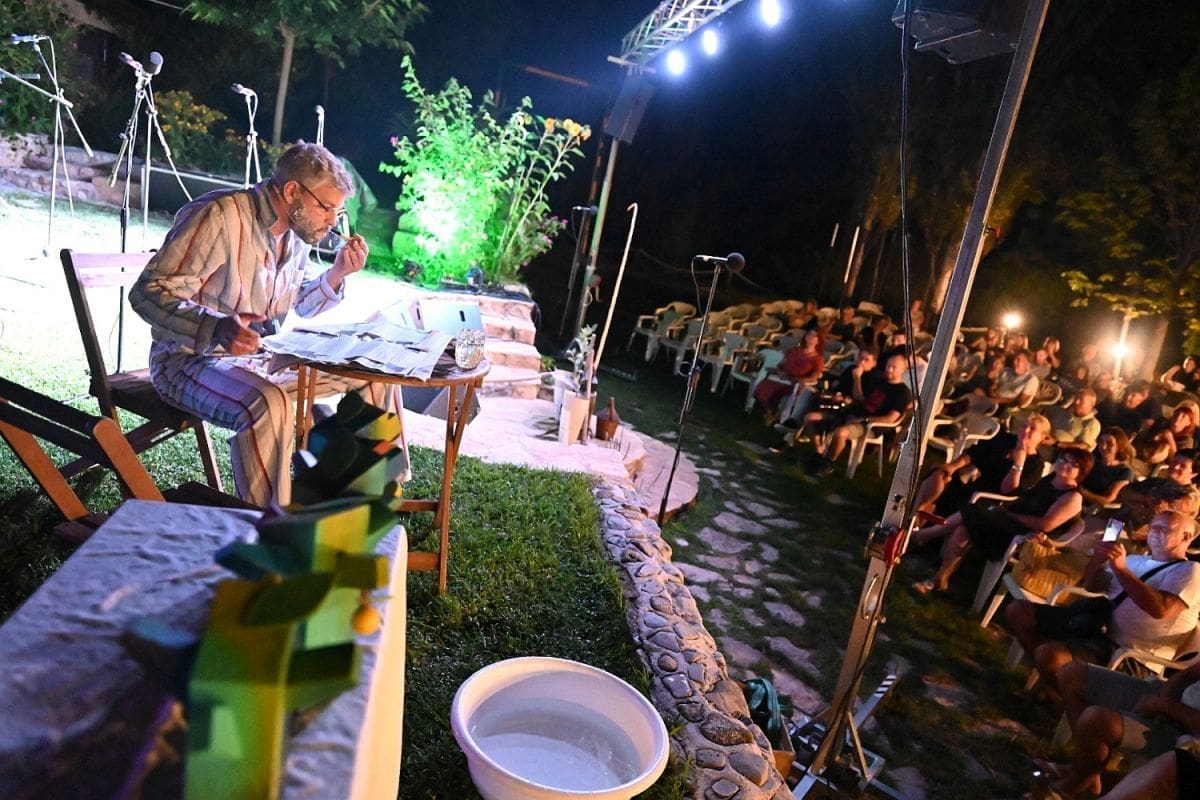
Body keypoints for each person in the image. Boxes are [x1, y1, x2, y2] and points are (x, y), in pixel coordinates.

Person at [130, 143, 405, 508]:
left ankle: (371, 499)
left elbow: (300, 303)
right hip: (188, 361)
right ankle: (268, 521)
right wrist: (216, 327)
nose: (331, 221)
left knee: (372, 371)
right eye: (326, 208)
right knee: (269, 403)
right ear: (292, 192)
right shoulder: (220, 216)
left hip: (262, 357)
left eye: (337, 212)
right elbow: (148, 292)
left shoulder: (295, 233)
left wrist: (338, 273)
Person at [1006, 509, 1200, 696]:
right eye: (1153, 526)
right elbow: (1092, 586)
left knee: (1050, 655)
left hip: (1131, 653)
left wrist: (1121, 570)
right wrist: (1097, 560)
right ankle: (1056, 685)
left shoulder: (1190, 571)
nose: (1154, 532)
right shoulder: (1134, 560)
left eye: (1164, 529)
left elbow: (1160, 609)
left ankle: (1059, 690)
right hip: (1096, 628)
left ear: (1185, 537)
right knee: (1019, 612)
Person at [911, 448, 1091, 595]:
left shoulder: (1072, 497)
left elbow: (1045, 524)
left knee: (971, 511)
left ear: (1081, 473)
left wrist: (1008, 515)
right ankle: (939, 579)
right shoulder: (1051, 479)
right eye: (1063, 459)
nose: (1065, 464)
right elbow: (1020, 498)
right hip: (1006, 524)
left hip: (1020, 538)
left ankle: (921, 536)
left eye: (1073, 464)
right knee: (963, 528)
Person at [1030, 659, 1200, 800]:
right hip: (1167, 700)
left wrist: (1162, 705)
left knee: (1095, 720)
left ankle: (1072, 785)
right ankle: (1084, 768)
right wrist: (1165, 696)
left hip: (1186, 735)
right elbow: (1188, 674)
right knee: (1072, 674)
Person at [913, 413, 1050, 518]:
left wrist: (1018, 464)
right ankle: (916, 512)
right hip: (974, 483)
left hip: (989, 499)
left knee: (956, 497)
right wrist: (953, 466)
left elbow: (1007, 491)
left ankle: (919, 518)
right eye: (1024, 426)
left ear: (1042, 437)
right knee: (941, 474)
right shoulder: (1006, 439)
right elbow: (975, 452)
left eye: (1032, 429)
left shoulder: (1036, 465)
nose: (1026, 431)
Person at [804, 352, 911, 476]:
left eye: (893, 367)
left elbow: (890, 419)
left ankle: (828, 462)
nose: (889, 369)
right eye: (888, 366)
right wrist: (857, 380)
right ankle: (819, 452)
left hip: (870, 426)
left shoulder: (902, 392)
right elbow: (859, 399)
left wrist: (863, 420)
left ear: (903, 370)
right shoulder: (878, 381)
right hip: (852, 414)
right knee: (810, 417)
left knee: (841, 432)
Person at [751, 329, 825, 425]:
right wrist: (780, 372)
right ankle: (771, 412)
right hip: (782, 377)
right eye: (809, 334)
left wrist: (800, 380)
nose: (810, 337)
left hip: (795, 383)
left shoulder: (817, 359)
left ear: (818, 340)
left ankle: (773, 414)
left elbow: (814, 377)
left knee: (775, 390)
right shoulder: (794, 350)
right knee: (764, 386)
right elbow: (780, 364)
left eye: (814, 336)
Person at [1077, 427, 1137, 508]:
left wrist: (1082, 492)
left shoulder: (1124, 471)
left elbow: (1108, 499)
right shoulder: (1092, 460)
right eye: (1101, 442)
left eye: (1109, 444)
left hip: (1091, 507)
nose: (1103, 446)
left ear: (1119, 446)